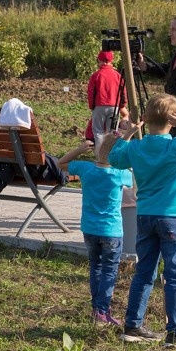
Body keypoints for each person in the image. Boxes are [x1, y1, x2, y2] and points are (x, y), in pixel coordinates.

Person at [109, 93, 176, 347]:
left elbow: (114, 157)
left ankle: (133, 325)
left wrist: (130, 132)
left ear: (145, 118)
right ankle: (175, 333)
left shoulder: (136, 147)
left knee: (144, 271)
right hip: (174, 217)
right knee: (175, 275)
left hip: (145, 216)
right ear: (173, 121)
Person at [59, 136, 133, 327]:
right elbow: (135, 180)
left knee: (96, 267)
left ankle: (97, 309)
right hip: (112, 231)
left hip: (90, 229)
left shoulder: (86, 168)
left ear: (96, 151)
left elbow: (61, 163)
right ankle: (102, 311)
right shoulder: (120, 173)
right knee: (109, 270)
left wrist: (80, 148)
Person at [138, 15, 176, 139]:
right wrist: (144, 66)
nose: (170, 33)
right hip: (173, 121)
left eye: (174, 30)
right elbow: (167, 70)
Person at [86, 50, 126, 149]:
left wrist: (92, 106)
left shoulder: (96, 75)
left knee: (98, 131)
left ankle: (100, 155)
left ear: (99, 60)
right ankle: (111, 154)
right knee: (112, 132)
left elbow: (91, 92)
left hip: (100, 105)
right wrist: (122, 105)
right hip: (114, 106)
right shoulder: (117, 75)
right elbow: (123, 91)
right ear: (111, 60)